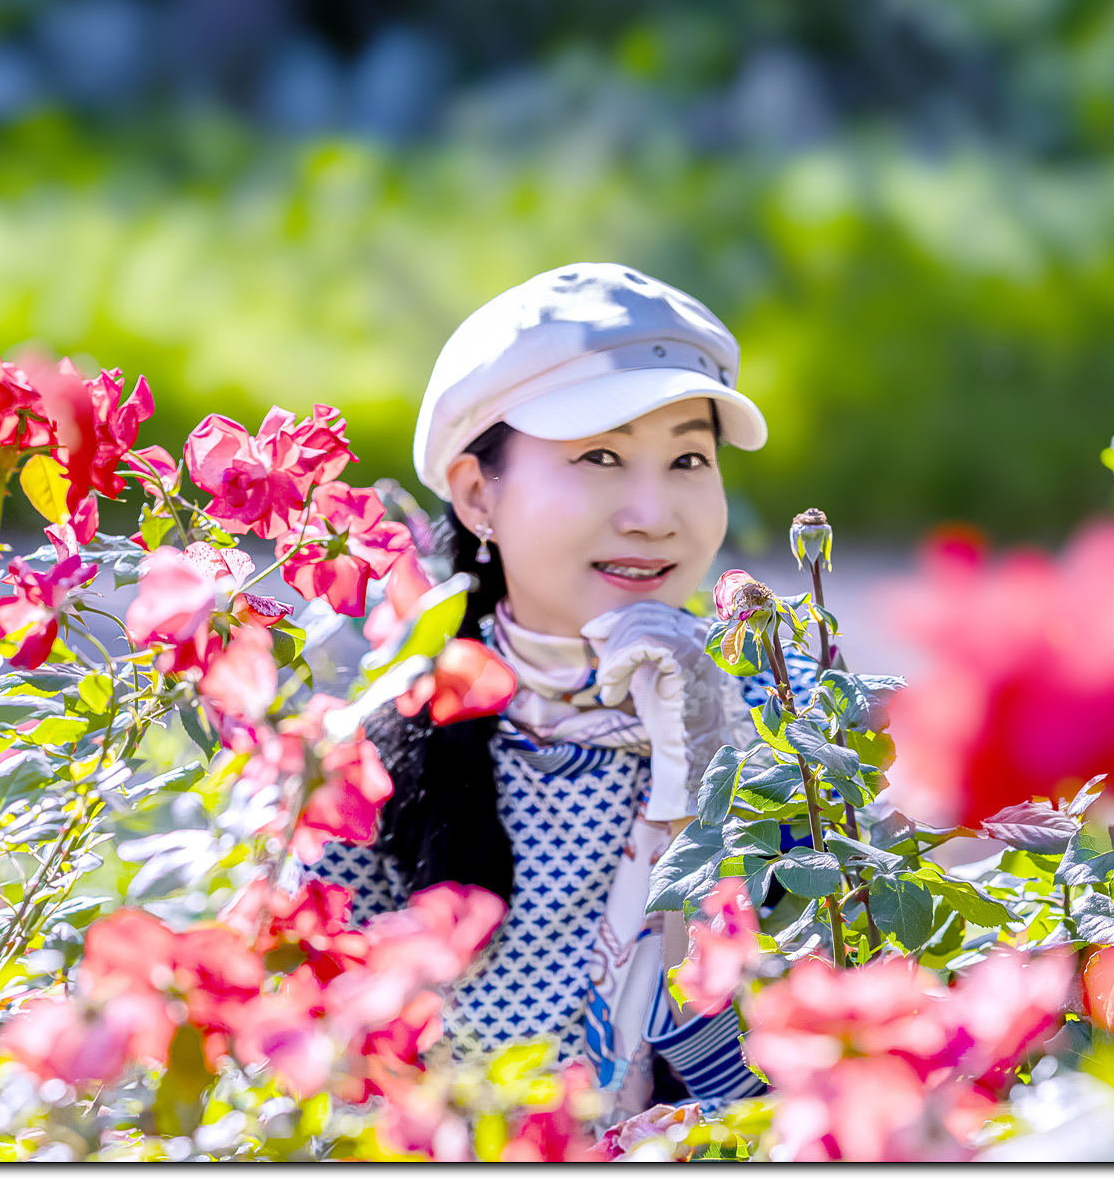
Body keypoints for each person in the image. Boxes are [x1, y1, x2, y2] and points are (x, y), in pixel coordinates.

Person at [307, 263, 817, 1121]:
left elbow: (816, 1047)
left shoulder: (789, 714)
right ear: (478, 495)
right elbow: (324, 1077)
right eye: (600, 456)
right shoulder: (384, 743)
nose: (654, 513)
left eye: (688, 458)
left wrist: (702, 772)